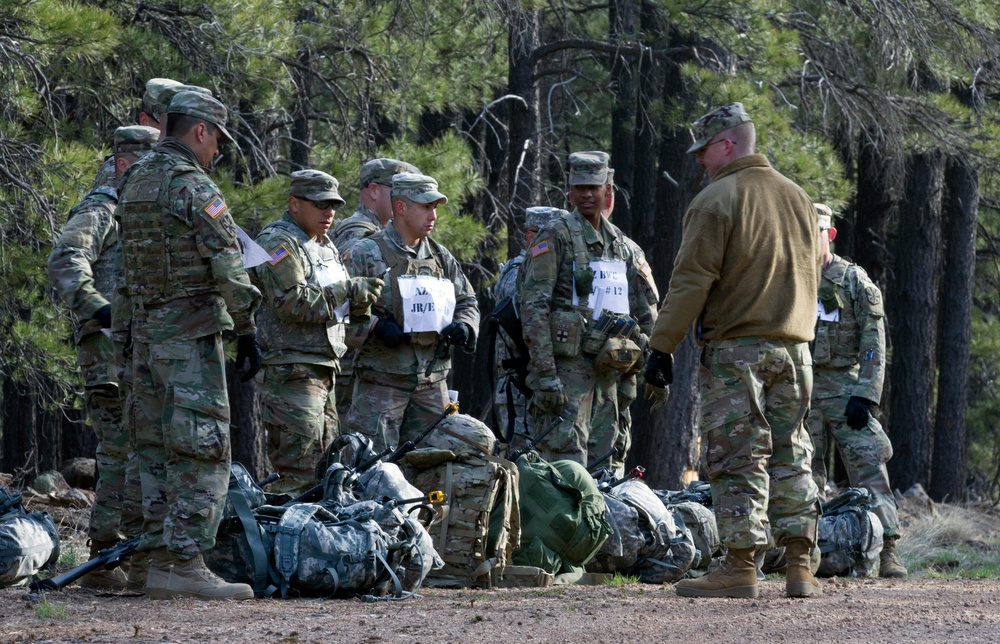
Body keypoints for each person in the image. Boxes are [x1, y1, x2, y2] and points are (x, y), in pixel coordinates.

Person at [644, 103, 822, 599]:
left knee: (737, 455)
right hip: (796, 351)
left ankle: (741, 565)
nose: (700, 161)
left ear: (726, 144)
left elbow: (691, 281)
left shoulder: (716, 199)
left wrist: (662, 346)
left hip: (738, 350)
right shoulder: (799, 197)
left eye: (704, 150)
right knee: (792, 452)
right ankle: (800, 566)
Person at [118, 91, 261, 600]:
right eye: (218, 137)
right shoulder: (192, 184)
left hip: (145, 339)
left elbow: (124, 269)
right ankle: (183, 562)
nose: (218, 149)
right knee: (203, 449)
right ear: (200, 131)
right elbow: (228, 265)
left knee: (154, 450)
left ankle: (154, 562)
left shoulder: (135, 180)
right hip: (188, 338)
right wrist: (247, 330)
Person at [47, 125, 159, 590]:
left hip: (134, 346)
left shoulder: (140, 210)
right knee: (122, 450)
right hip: (107, 350)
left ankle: (117, 555)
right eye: (144, 167)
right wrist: (99, 308)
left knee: (131, 449)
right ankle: (114, 558)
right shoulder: (102, 207)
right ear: (121, 164)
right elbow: (66, 259)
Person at [518, 152, 657, 471]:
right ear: (570, 192)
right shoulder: (555, 236)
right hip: (568, 377)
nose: (586, 194)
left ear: (607, 189)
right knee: (565, 469)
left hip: (610, 373)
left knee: (606, 469)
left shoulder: (621, 246)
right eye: (579, 187)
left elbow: (644, 312)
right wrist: (546, 374)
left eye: (593, 187)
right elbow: (533, 305)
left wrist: (644, 369)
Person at [251, 170, 383, 494]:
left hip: (323, 371)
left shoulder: (324, 245)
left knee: (326, 471)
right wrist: (348, 289)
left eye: (334, 205)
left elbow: (336, 308)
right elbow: (291, 302)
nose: (330, 213)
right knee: (299, 474)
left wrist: (360, 302)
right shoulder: (278, 242)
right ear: (294, 204)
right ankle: (281, 541)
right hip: (291, 373)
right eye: (320, 204)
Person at [342, 172, 479, 452]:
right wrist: (374, 326)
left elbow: (467, 301)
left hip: (432, 384)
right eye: (426, 207)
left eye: (435, 208)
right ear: (401, 207)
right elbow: (338, 312)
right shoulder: (366, 253)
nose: (433, 216)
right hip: (382, 384)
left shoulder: (441, 257)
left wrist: (464, 326)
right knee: (374, 467)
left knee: (435, 464)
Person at [809, 203, 906, 578]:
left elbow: (873, 340)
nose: (807, 239)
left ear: (829, 234)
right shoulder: (788, 280)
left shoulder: (853, 281)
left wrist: (866, 392)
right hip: (800, 388)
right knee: (802, 472)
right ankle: (806, 551)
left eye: (815, 231)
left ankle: (888, 550)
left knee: (868, 464)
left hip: (844, 386)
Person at [331, 157, 419, 416]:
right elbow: (343, 294)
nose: (404, 199)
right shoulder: (359, 234)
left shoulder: (386, 234)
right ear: (373, 191)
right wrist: (376, 325)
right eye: (397, 190)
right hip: (356, 363)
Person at [491, 206, 564, 446]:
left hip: (551, 387)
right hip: (519, 391)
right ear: (531, 236)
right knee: (523, 465)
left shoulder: (560, 271)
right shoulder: (516, 271)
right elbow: (528, 307)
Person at [89, 79, 182, 191]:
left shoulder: (183, 163)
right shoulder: (119, 168)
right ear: (145, 122)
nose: (175, 132)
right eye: (167, 123)